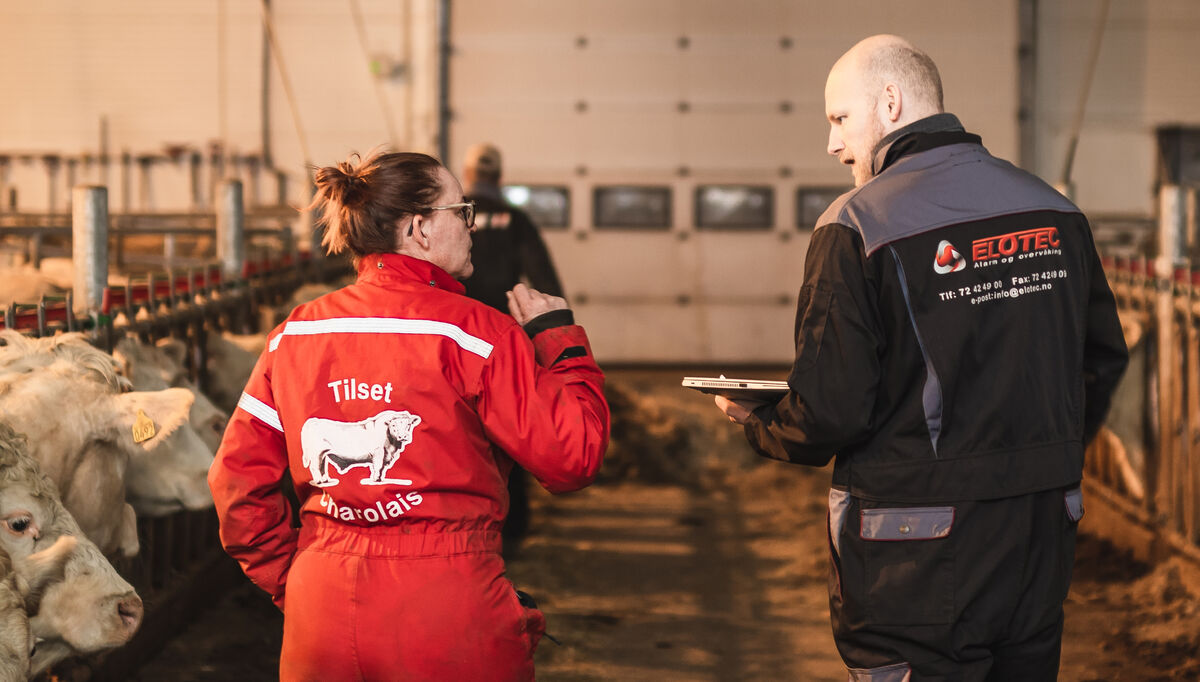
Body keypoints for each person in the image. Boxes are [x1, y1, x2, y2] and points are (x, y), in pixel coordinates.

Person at [714, 35, 1128, 681]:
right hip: (1041, 530)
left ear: (891, 102)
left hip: (914, 547)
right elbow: (1100, 358)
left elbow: (831, 408)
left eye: (840, 118)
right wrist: (1046, 458)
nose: (833, 144)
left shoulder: (858, 224)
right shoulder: (1054, 210)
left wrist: (765, 423)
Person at [208, 149, 610, 681]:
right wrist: (560, 343)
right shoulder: (480, 335)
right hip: (446, 614)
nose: (472, 227)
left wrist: (297, 580)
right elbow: (573, 457)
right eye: (461, 212)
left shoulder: (295, 335)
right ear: (419, 229)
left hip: (322, 614)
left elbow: (235, 484)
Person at [461, 142, 566, 548]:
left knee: (459, 428)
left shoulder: (453, 215)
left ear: (467, 174)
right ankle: (513, 527)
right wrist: (552, 334)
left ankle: (467, 523)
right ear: (500, 176)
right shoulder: (517, 221)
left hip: (454, 337)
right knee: (510, 426)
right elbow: (544, 278)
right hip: (505, 340)